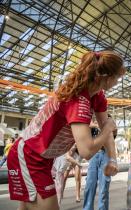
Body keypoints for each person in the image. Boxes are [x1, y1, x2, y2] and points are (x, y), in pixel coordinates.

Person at [7, 51, 125, 210]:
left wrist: (112, 159)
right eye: (117, 77)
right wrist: (108, 128)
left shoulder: (97, 95)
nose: (117, 82)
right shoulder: (78, 100)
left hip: (43, 157)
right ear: (104, 77)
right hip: (29, 155)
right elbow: (87, 151)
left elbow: (105, 124)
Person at [83, 117, 116, 210]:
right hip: (94, 155)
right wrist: (95, 125)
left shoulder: (108, 119)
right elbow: (84, 131)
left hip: (106, 154)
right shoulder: (90, 121)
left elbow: (113, 132)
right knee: (89, 185)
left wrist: (113, 160)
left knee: (104, 187)